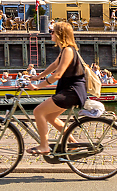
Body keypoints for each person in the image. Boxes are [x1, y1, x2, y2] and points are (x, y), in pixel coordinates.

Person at [27, 21, 87, 155]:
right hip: (70, 90)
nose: (50, 34)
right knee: (50, 117)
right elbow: (54, 65)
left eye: (52, 32)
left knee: (38, 112)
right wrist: (38, 76)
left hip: (72, 91)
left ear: (60, 34)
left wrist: (38, 86)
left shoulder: (68, 50)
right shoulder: (65, 50)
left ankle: (44, 146)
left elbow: (58, 74)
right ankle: (73, 143)